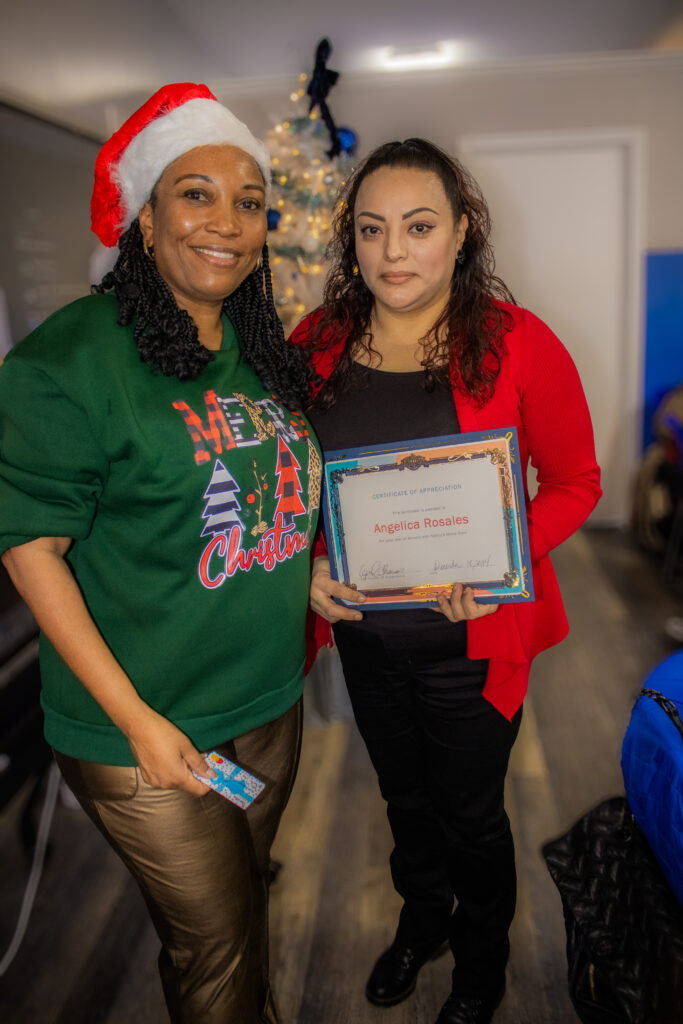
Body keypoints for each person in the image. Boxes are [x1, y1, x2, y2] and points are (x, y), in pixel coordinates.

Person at [0, 83, 320, 1024]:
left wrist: (315, 572)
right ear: (146, 217)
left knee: (237, 910)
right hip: (143, 727)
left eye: (249, 201)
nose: (225, 221)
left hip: (265, 701)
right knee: (215, 953)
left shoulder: (261, 346)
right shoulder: (69, 360)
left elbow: (267, 495)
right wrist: (137, 724)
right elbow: (29, 549)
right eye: (195, 193)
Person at [291, 138, 601, 1024]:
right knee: (402, 796)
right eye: (372, 230)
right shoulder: (317, 344)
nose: (393, 252)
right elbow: (294, 488)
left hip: (475, 640)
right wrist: (307, 561)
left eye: (418, 227)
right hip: (364, 635)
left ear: (461, 232)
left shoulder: (518, 343)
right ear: (350, 241)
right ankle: (422, 919)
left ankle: (480, 963)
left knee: (470, 813)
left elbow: (576, 483)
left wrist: (501, 563)